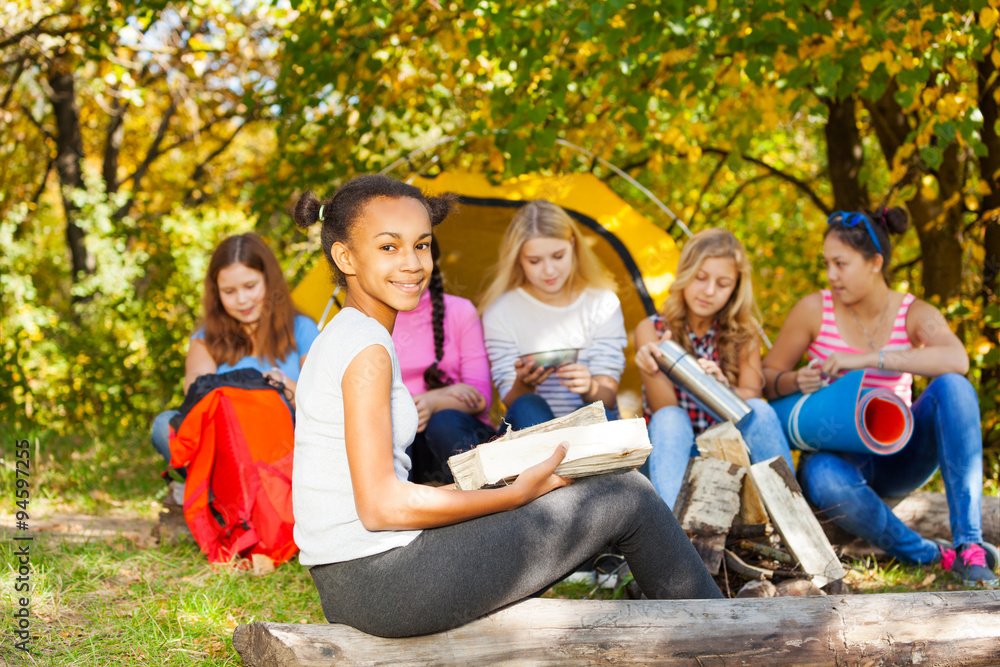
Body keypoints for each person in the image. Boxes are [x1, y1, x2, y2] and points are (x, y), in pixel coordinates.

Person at [290, 175, 722, 639]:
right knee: (628, 496)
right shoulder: (365, 349)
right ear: (345, 257)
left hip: (364, 577)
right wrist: (515, 496)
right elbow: (381, 507)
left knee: (588, 490)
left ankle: (690, 620)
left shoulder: (346, 333)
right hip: (382, 583)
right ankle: (725, 638)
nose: (413, 264)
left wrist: (502, 491)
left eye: (422, 245)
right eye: (389, 248)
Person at [762, 207, 998, 587]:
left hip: (898, 458)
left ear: (875, 262)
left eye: (841, 263)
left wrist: (870, 359)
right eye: (827, 264)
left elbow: (957, 359)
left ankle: (970, 546)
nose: (831, 275)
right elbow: (765, 379)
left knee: (955, 387)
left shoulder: (913, 312)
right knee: (822, 476)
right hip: (836, 461)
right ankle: (930, 554)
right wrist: (796, 379)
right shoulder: (813, 309)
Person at [633, 229, 794, 510]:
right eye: (700, 277)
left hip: (726, 451)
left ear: (735, 287)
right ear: (684, 273)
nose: (709, 292)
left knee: (761, 409)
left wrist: (723, 389)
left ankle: (793, 513)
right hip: (673, 456)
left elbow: (752, 396)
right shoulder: (653, 329)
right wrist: (652, 367)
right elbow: (665, 411)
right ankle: (673, 538)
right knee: (671, 418)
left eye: (722, 284)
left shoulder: (744, 332)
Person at [149, 233, 320, 465]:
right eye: (229, 292)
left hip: (287, 448)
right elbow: (194, 383)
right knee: (164, 425)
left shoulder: (302, 329)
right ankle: (214, 491)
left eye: (250, 286)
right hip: (228, 448)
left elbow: (320, 405)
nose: (242, 300)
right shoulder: (207, 338)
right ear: (216, 293)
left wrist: (281, 383)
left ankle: (208, 493)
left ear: (270, 280)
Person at [479, 200, 627, 431]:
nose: (549, 271)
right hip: (531, 428)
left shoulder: (602, 302)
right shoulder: (500, 311)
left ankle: (561, 465)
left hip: (590, 430)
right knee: (528, 403)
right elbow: (510, 401)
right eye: (535, 261)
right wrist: (523, 382)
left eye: (558, 256)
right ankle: (552, 465)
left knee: (595, 413)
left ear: (573, 246)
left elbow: (607, 396)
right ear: (518, 258)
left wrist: (589, 387)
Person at [392, 238, 497, 484]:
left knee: (443, 421)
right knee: (396, 431)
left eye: (420, 253)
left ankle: (484, 496)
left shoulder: (460, 311)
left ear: (434, 262)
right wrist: (440, 396)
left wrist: (435, 402)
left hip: (456, 437)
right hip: (401, 443)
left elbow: (480, 398)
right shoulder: (369, 323)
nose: (409, 269)